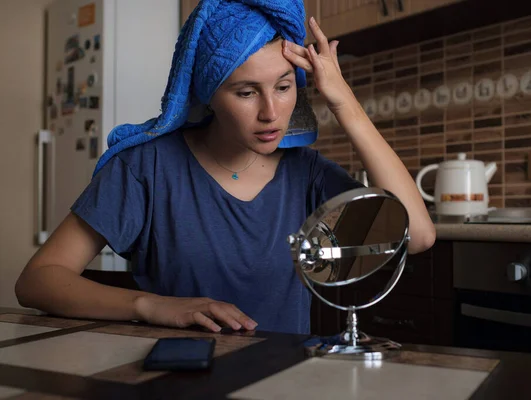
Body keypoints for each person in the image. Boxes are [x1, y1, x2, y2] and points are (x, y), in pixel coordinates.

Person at [15, 0, 435, 335]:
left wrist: (344, 100)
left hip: (282, 382)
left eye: (284, 87)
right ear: (209, 94)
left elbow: (416, 234)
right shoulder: (146, 168)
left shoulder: (307, 174)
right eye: (246, 91)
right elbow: (38, 280)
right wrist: (151, 306)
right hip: (174, 381)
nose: (271, 112)